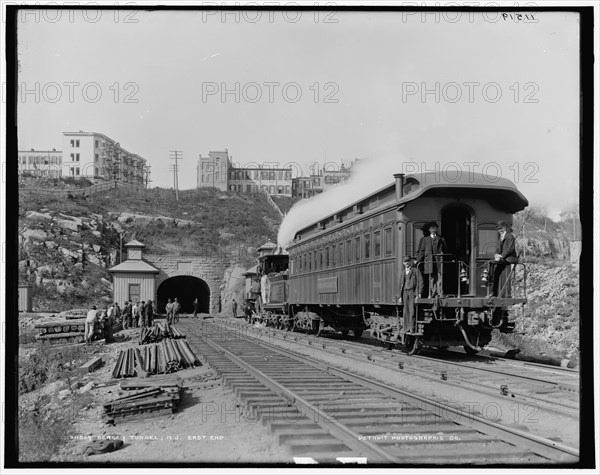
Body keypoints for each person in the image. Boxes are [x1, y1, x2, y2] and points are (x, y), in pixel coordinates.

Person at [485, 220, 518, 297]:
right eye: (498, 229)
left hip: (509, 259)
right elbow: (498, 249)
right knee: (496, 272)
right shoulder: (501, 237)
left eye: (501, 228)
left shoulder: (510, 236)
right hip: (503, 259)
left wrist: (501, 256)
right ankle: (493, 293)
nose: (499, 230)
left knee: (491, 263)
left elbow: (510, 249)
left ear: (504, 228)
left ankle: (487, 278)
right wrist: (496, 255)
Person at [417, 221, 447, 298]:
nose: (433, 229)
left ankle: (440, 293)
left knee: (439, 277)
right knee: (431, 278)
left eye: (435, 228)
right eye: (432, 228)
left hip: (439, 261)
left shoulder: (441, 239)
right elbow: (421, 251)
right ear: (429, 230)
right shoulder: (424, 239)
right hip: (429, 261)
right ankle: (432, 293)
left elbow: (445, 249)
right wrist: (417, 260)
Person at [398, 256, 423, 334]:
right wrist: (399, 296)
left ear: (410, 262)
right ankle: (406, 329)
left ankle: (411, 328)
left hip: (412, 292)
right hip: (405, 292)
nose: (407, 263)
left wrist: (419, 293)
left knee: (412, 310)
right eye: (405, 262)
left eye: (408, 261)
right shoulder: (403, 273)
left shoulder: (416, 271)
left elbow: (421, 282)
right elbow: (400, 285)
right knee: (406, 311)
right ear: (403, 263)